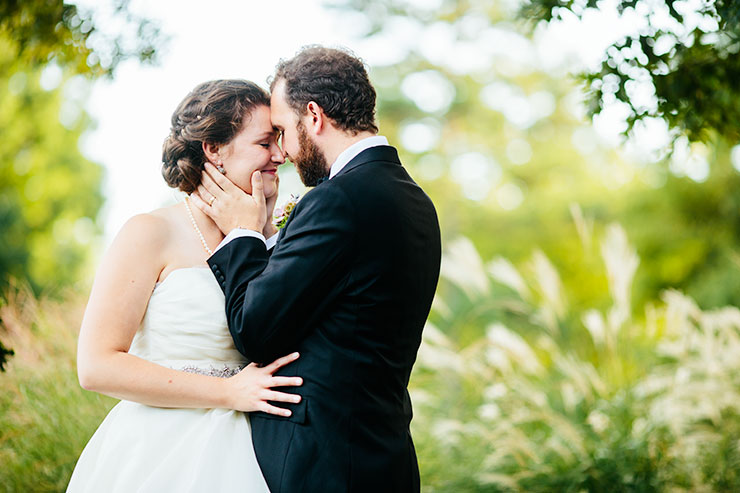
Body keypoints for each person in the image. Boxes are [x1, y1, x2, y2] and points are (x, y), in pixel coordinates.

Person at [191, 46, 442, 492]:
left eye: (283, 131)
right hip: (384, 456)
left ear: (314, 116)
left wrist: (244, 234)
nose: (283, 152)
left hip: (325, 466)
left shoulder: (337, 200)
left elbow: (255, 329)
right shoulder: (415, 200)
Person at [66, 79, 302, 492]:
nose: (280, 155)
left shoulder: (281, 237)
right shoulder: (150, 232)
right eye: (265, 143)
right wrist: (227, 393)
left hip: (260, 447)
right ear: (214, 149)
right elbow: (96, 365)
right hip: (160, 452)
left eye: (280, 140)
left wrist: (261, 229)